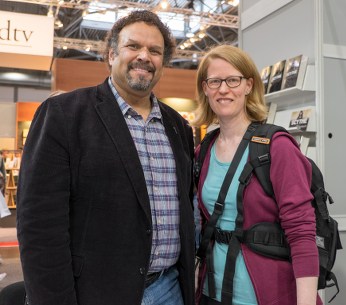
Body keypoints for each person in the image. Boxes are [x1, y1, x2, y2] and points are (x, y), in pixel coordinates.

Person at [17, 10, 195, 305]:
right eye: (133, 46)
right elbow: (39, 227)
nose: (144, 56)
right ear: (111, 55)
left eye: (155, 51)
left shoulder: (178, 126)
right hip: (94, 293)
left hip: (169, 290)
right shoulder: (64, 114)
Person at [192, 45, 321, 305]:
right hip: (210, 293)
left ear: (249, 85)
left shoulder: (276, 146)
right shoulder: (203, 150)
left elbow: (302, 232)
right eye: (214, 81)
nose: (223, 89)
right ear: (205, 89)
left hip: (266, 295)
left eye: (233, 80)